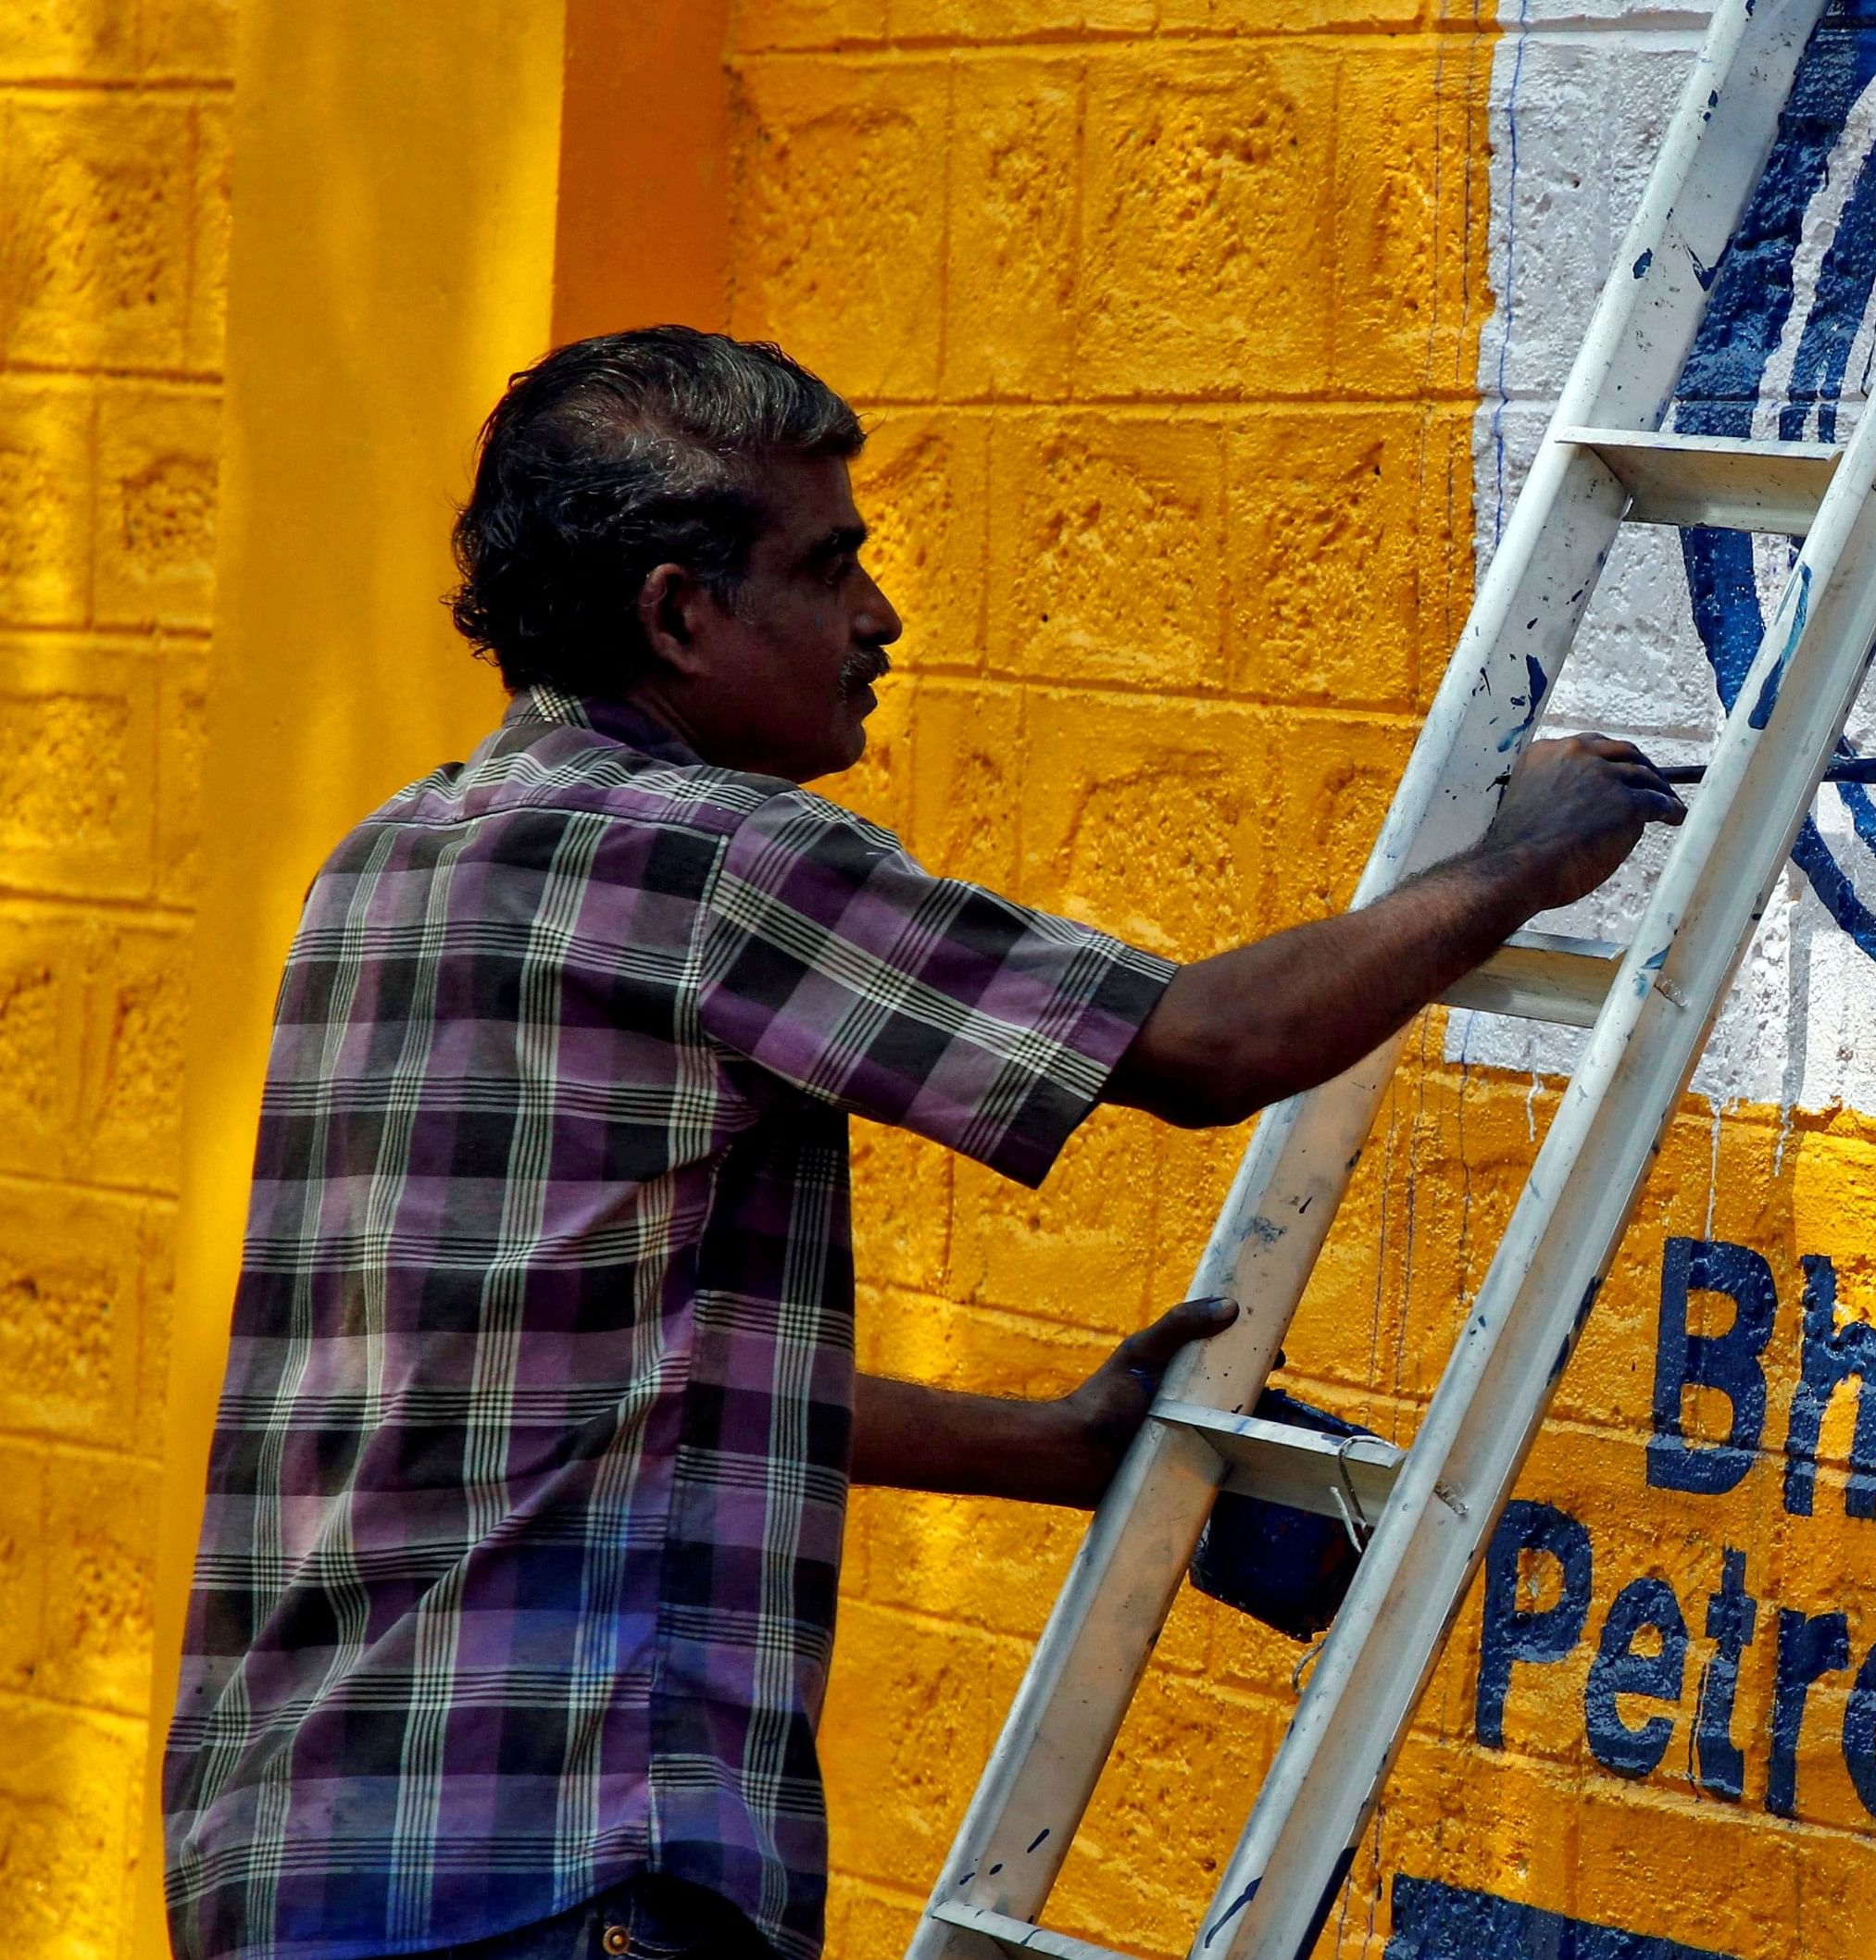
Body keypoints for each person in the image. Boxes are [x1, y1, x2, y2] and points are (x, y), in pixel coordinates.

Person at [160, 327, 1682, 1960]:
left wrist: (1052, 1446)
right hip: (550, 1865)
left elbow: (578, 1377)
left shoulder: (390, 859)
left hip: (291, 1854)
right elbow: (1208, 1048)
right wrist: (1516, 863)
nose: (877, 620)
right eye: (830, 570)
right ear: (679, 613)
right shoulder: (707, 853)